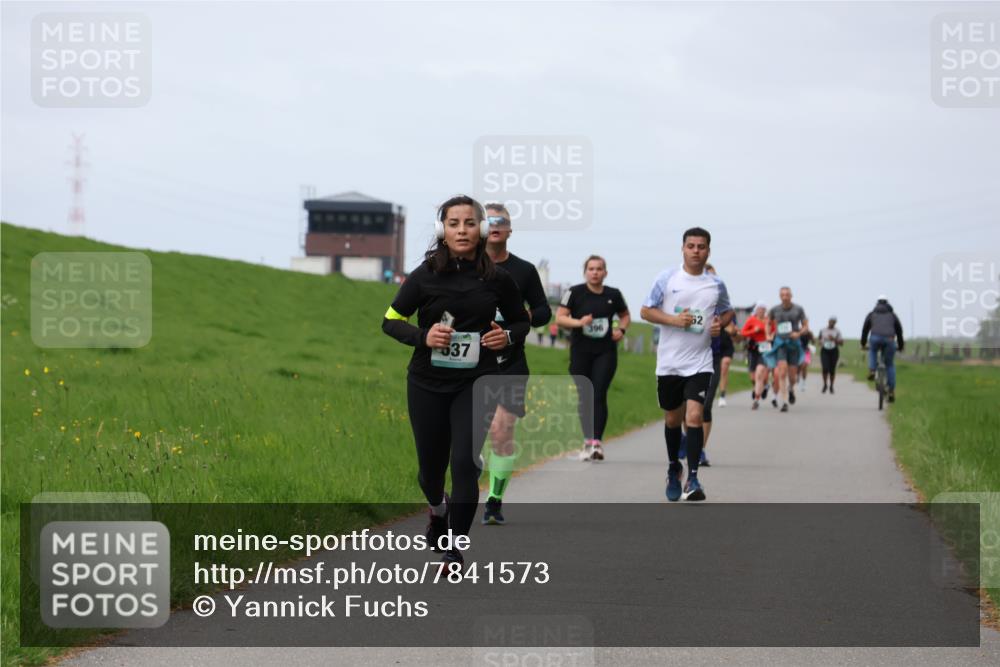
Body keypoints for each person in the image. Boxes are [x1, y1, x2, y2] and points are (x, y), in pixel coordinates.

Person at [381, 195, 529, 572]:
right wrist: (423, 337)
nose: (462, 230)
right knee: (430, 472)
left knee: (464, 463)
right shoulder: (424, 275)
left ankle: (454, 548)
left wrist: (507, 337)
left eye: (469, 223)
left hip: (477, 381)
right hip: (427, 383)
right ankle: (437, 509)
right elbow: (391, 320)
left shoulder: (498, 279)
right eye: (453, 223)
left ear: (482, 229)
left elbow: (521, 321)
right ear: (442, 230)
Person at [640, 227, 733, 502]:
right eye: (691, 246)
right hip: (669, 363)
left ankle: (693, 478)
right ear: (682, 248)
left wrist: (719, 324)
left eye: (701, 247)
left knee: (694, 416)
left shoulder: (716, 284)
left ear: (708, 251)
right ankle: (673, 468)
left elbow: (727, 312)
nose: (696, 251)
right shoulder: (667, 278)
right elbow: (645, 311)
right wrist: (673, 320)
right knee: (672, 419)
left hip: (700, 362)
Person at [481, 203, 552, 525]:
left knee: (501, 430)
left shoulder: (523, 270)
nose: (495, 225)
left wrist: (523, 317)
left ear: (510, 230)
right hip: (469, 362)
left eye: (502, 221)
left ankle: (494, 501)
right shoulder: (463, 266)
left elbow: (544, 311)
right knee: (466, 434)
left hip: (510, 362)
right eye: (489, 220)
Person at [556, 255, 630, 462]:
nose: (595, 272)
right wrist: (579, 323)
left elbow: (625, 315)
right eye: (591, 269)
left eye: (599, 269)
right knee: (585, 395)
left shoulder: (613, 294)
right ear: (585, 272)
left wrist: (621, 330)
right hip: (580, 351)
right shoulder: (574, 292)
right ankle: (587, 441)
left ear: (605, 272)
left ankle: (596, 443)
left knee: (598, 393)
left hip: (605, 351)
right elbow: (560, 318)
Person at [699, 263, 737, 467]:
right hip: (687, 355)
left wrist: (723, 325)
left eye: (712, 276)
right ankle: (691, 441)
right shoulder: (688, 295)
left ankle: (700, 449)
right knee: (687, 408)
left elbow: (730, 316)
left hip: (713, 354)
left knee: (705, 405)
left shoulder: (720, 299)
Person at [768, 287, 809, 413]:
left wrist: (799, 333)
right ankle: (784, 402)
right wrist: (768, 335)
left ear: (791, 296)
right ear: (780, 296)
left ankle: (791, 388)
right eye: (782, 295)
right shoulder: (774, 309)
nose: (785, 297)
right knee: (782, 372)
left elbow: (806, 326)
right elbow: (768, 322)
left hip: (793, 344)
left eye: (787, 295)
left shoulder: (798, 309)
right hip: (780, 343)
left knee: (792, 376)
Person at [861, 295, 905, 402]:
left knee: (872, 351)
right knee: (889, 364)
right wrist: (900, 346)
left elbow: (865, 330)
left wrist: (863, 343)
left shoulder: (872, 314)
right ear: (887, 303)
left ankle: (872, 370)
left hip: (875, 338)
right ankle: (891, 391)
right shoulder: (893, 315)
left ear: (877, 303)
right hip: (890, 339)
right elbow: (899, 331)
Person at [741, 302, 771, 410]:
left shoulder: (768, 321)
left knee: (759, 373)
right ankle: (764, 386)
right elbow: (743, 332)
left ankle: (756, 400)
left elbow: (774, 332)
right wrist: (754, 330)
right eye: (759, 309)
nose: (761, 311)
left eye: (763, 309)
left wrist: (770, 336)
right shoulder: (751, 320)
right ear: (756, 310)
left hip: (765, 350)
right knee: (753, 377)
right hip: (753, 349)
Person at [817, 316, 843, 394]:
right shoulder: (822, 330)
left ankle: (831, 386)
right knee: (825, 368)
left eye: (833, 322)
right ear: (828, 321)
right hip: (825, 350)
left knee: (832, 369)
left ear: (835, 323)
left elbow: (841, 343)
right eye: (831, 321)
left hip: (834, 351)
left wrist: (833, 339)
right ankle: (825, 384)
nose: (832, 323)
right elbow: (819, 340)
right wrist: (821, 342)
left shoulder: (837, 331)